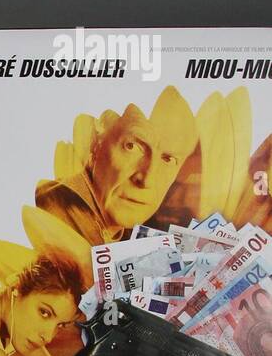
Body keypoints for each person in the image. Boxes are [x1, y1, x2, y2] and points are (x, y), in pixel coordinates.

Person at [35, 88, 198, 244]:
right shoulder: (48, 216)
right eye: (132, 147)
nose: (147, 179)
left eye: (168, 159)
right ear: (95, 142)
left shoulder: (122, 241)